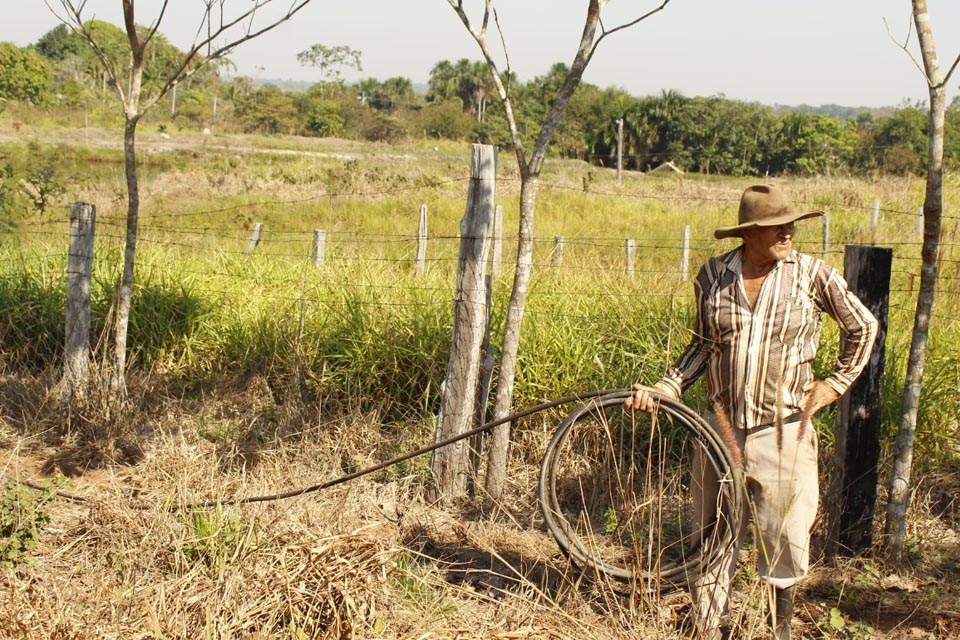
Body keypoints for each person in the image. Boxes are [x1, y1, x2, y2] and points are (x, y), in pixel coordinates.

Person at [624, 184, 878, 640]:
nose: (787, 233)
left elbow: (863, 326)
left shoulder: (813, 275)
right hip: (720, 432)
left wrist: (835, 384)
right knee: (711, 536)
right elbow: (704, 344)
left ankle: (778, 631)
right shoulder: (714, 275)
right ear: (749, 233)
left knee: (785, 539)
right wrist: (668, 385)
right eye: (776, 226)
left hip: (783, 430)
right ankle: (708, 628)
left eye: (790, 224)